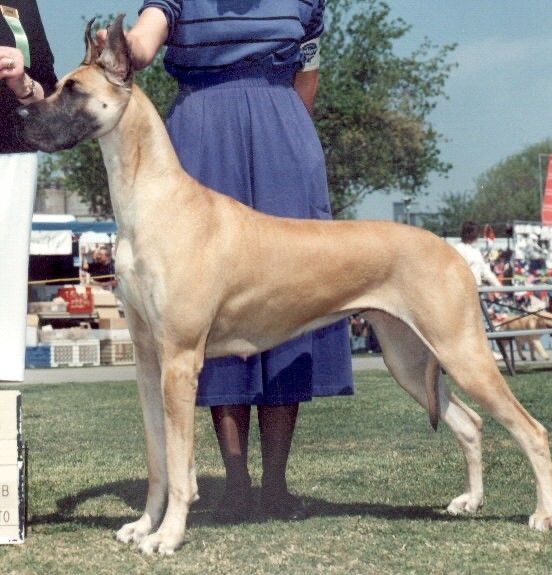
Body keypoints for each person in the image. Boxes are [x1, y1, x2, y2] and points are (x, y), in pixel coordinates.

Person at [99, 1, 354, 522]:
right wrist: (122, 46)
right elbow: (144, 42)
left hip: (283, 131)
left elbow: (308, 73)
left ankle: (276, 485)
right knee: (201, 310)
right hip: (202, 132)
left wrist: (288, 134)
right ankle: (235, 484)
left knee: (288, 297)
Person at [0, 1, 57, 382]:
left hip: (12, 160)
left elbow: (48, 91)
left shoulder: (21, 4)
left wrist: (24, 85)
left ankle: (4, 395)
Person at [454, 221, 501, 287]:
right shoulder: (458, 249)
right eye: (477, 233)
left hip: (477, 287)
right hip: (463, 288)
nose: (478, 236)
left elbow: (485, 270)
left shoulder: (476, 251)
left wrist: (499, 286)